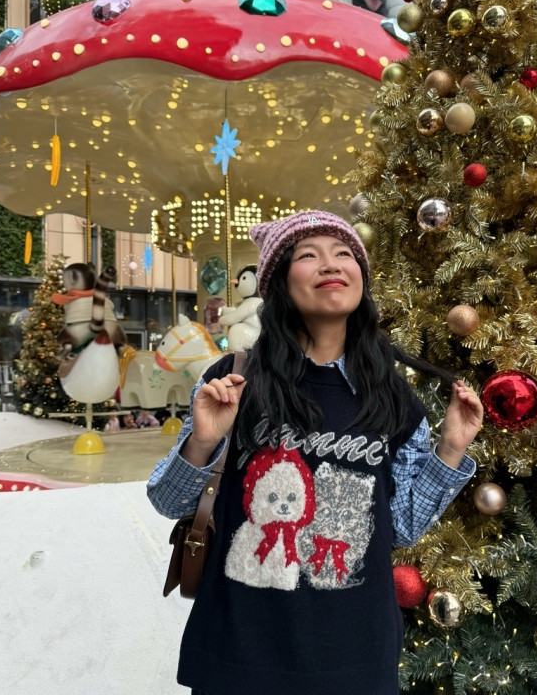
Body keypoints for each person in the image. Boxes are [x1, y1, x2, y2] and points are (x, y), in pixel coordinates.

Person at [147, 210, 484, 695]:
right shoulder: (235, 379)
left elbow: (400, 528)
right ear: (280, 283)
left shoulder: (393, 397)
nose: (331, 264)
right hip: (240, 653)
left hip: (355, 655)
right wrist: (202, 441)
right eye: (309, 255)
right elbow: (168, 501)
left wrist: (450, 450)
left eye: (344, 254)